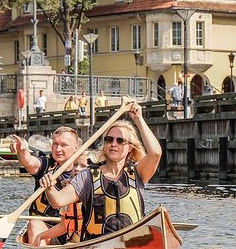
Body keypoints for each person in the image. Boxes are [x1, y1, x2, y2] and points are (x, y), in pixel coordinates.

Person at [41, 101, 161, 240]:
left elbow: (155, 153)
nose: (113, 144)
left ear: (130, 147)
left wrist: (138, 119)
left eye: (120, 140)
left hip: (131, 245)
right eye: (109, 140)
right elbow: (58, 200)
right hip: (96, 246)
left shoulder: (138, 172)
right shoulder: (87, 176)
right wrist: (49, 187)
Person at [9, 126, 80, 245]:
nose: (58, 149)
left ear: (76, 147)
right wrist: (22, 151)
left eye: (64, 145)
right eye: (55, 144)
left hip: (73, 227)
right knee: (34, 223)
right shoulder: (46, 164)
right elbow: (29, 162)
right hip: (45, 226)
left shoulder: (82, 170)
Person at [32, 152, 92, 247]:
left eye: (83, 166)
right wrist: (41, 236)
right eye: (75, 165)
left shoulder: (97, 192)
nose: (77, 169)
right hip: (72, 242)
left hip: (92, 241)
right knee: (67, 246)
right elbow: (64, 226)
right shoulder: (67, 193)